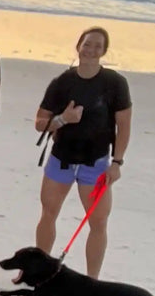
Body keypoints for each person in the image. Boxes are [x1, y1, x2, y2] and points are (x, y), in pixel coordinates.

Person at [34, 27, 133, 277]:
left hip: (96, 164)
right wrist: (63, 119)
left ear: (104, 51)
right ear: (78, 46)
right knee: (48, 213)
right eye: (87, 44)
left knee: (98, 223)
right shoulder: (62, 82)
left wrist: (117, 162)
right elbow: (39, 123)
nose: (91, 50)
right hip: (61, 160)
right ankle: (40, 272)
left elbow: (124, 126)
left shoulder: (115, 84)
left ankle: (93, 282)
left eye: (97, 46)